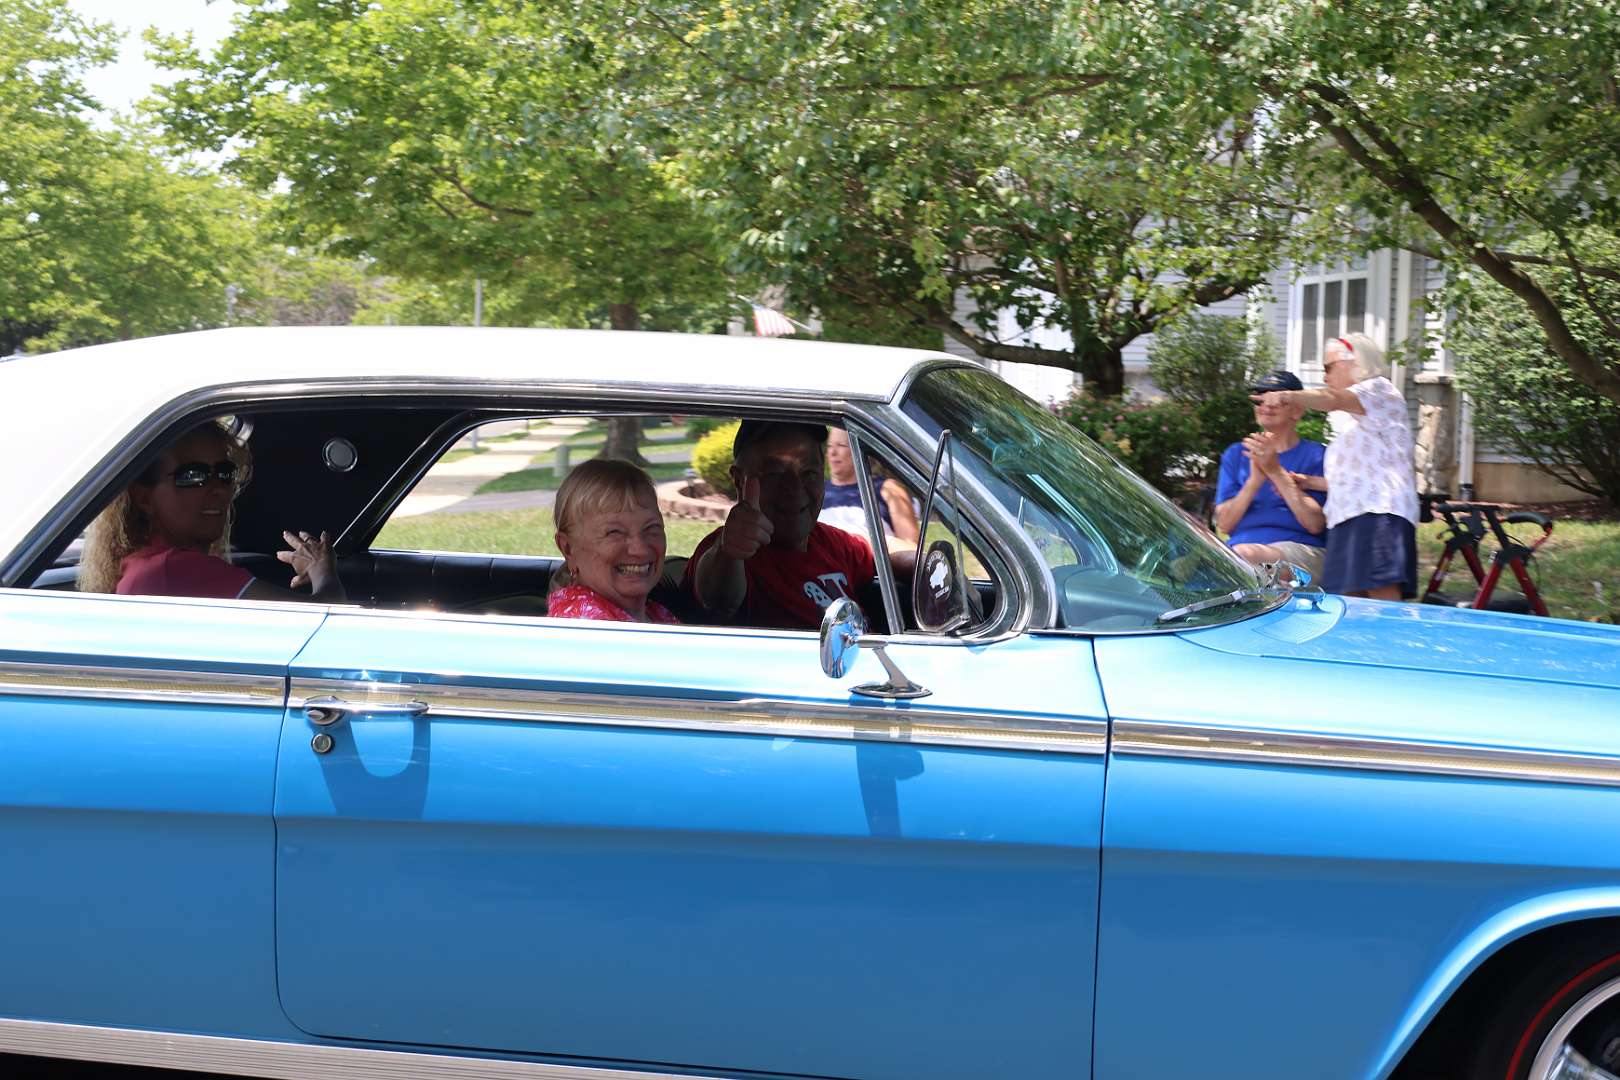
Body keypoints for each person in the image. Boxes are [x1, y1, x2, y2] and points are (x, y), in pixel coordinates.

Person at [78, 420, 344, 602]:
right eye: (193, 476)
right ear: (144, 498)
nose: (219, 490)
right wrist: (322, 569)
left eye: (225, 473)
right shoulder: (173, 571)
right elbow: (326, 619)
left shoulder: (142, 565)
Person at [1254, 332, 1420, 600]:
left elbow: (1330, 399)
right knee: (1347, 602)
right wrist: (1311, 483)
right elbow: (1358, 476)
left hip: (1378, 511)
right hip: (1348, 517)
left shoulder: (1379, 390)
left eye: (1328, 367)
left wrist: (1288, 396)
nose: (1325, 376)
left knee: (1382, 599)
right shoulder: (1349, 420)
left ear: (1354, 362)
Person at [685, 420, 877, 630]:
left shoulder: (828, 541)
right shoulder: (731, 547)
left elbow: (876, 551)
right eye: (774, 474)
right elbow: (718, 599)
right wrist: (729, 553)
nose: (795, 488)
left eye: (809, 473)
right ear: (740, 481)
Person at [1214, 370, 1328, 582]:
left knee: (1242, 558)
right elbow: (1224, 525)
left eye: (1276, 400)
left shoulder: (1318, 455)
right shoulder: (1236, 454)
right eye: (1260, 400)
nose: (1266, 406)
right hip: (1238, 552)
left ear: (1297, 410)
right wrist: (1253, 482)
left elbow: (1315, 524)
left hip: (1301, 551)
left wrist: (1275, 471)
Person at [548, 458, 681, 624]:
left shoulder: (654, 613)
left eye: (652, 528)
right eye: (614, 532)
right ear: (568, 549)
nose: (640, 549)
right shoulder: (586, 625)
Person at [818, 427, 920, 552]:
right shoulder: (817, 490)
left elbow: (911, 550)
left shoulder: (888, 489)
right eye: (829, 446)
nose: (832, 452)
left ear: (858, 448)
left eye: (841, 445)